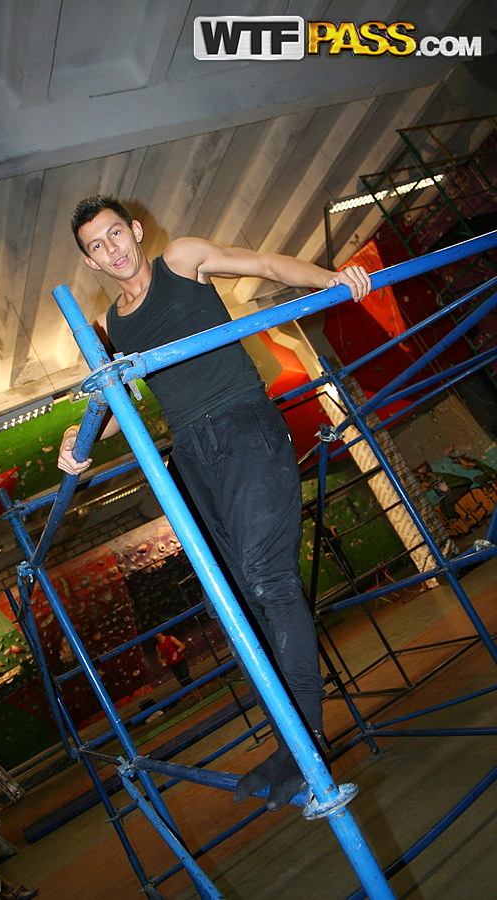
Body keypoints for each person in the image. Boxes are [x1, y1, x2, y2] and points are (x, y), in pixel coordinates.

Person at [58, 195, 371, 810]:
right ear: (90, 262)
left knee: (267, 578)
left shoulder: (182, 260)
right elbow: (120, 406)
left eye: (115, 233)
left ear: (135, 230)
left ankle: (308, 746)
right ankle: (288, 745)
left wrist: (334, 278)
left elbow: (267, 266)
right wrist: (78, 435)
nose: (111, 249)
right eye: (96, 246)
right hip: (192, 456)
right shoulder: (112, 326)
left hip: (243, 425)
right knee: (230, 601)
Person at [155, 631, 202, 700]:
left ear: (160, 632)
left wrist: (176, 652)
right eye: (155, 634)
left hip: (180, 661)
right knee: (181, 681)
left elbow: (182, 646)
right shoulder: (158, 646)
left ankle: (198, 693)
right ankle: (195, 695)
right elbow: (159, 658)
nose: (156, 635)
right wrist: (164, 661)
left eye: (157, 633)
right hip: (172, 665)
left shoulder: (170, 638)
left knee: (186, 677)